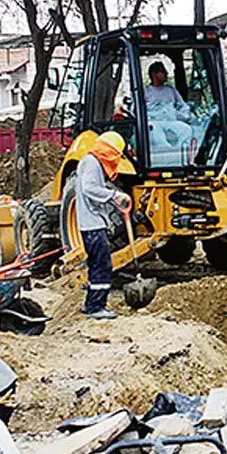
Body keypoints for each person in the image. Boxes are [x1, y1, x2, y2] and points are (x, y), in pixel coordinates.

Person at [77, 131, 135, 320]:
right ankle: (96, 307)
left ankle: (91, 305)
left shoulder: (90, 162)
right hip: (92, 225)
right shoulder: (92, 163)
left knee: (97, 265)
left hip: (91, 223)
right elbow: (89, 188)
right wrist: (113, 195)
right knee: (102, 265)